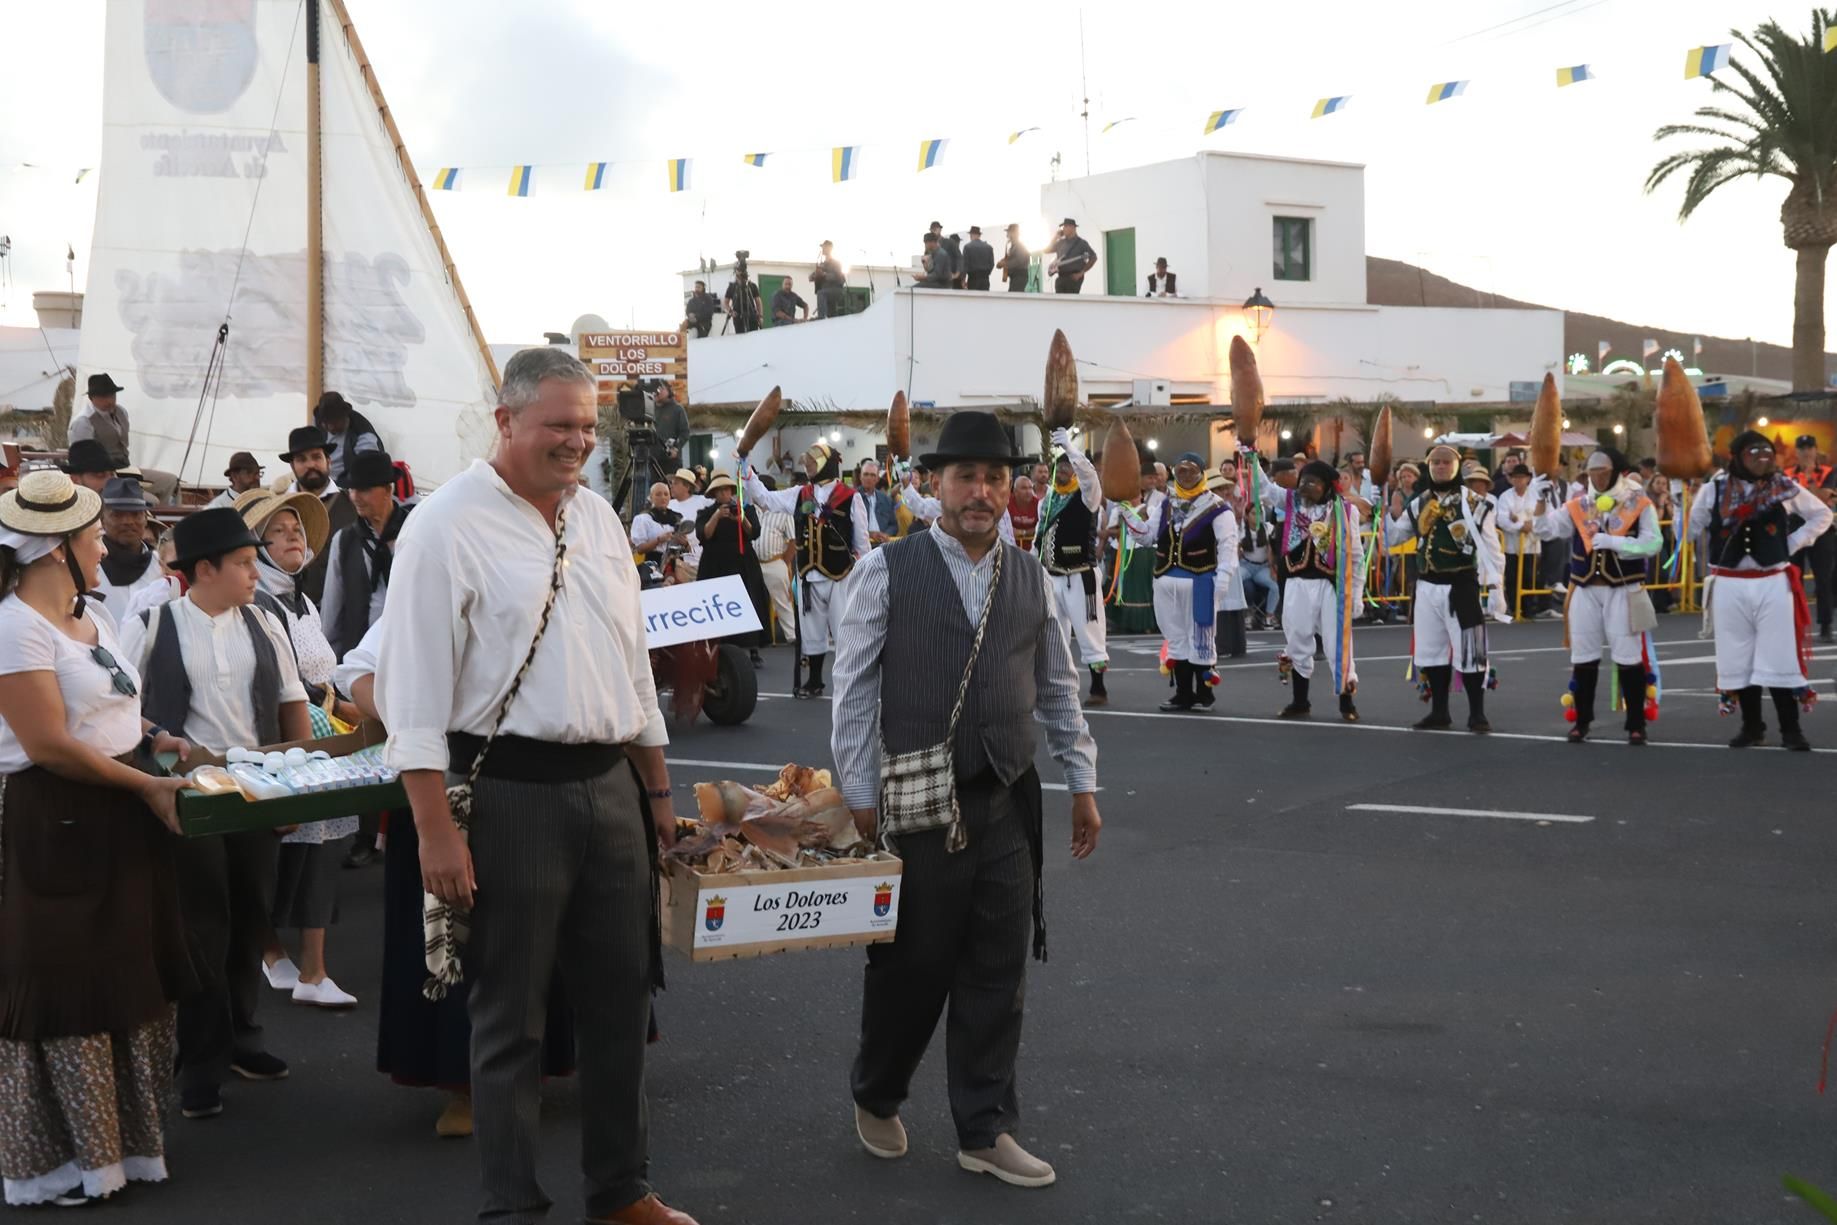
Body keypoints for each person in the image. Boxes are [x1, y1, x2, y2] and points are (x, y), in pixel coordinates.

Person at [375, 345, 693, 1225]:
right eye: (559, 424)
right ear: (505, 419)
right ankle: (511, 1207)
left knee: (622, 1003)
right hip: (509, 790)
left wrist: (657, 792)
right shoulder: (442, 525)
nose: (576, 442)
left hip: (609, 788)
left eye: (587, 427)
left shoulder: (596, 518)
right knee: (508, 1018)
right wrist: (434, 829)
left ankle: (621, 1191)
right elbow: (413, 695)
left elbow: (632, 671)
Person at [831, 409, 1100, 1192]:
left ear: (1009, 486)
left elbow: (1056, 687)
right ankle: (877, 1089)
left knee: (996, 968)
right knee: (910, 966)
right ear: (933, 484)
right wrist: (857, 796)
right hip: (916, 804)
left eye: (993, 477)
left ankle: (984, 1126)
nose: (980, 491)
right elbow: (853, 689)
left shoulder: (1031, 577)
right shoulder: (889, 568)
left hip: (1006, 799)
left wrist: (1081, 781)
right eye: (964, 477)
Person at [0, 469, 196, 1207]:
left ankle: (118, 1149)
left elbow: (109, 705)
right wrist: (144, 783)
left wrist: (156, 738)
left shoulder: (94, 614)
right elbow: (48, 743)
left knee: (123, 968)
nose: (110, 539)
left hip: (116, 802)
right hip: (59, 814)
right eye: (89, 534)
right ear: (55, 548)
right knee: (65, 983)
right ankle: (62, 1160)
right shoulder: (14, 625)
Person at [120, 507, 312, 1120]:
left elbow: (292, 707)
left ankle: (242, 1039)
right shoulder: (151, 624)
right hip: (190, 800)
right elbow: (123, 712)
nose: (256, 574)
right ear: (205, 569)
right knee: (201, 924)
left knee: (252, 916)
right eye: (245, 563)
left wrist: (297, 789)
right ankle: (199, 1061)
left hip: (256, 791)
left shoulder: (265, 622)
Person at [224, 489, 361, 1006]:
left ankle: (307, 968)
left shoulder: (301, 599)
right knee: (284, 853)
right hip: (293, 734)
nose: (291, 541)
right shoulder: (259, 604)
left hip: (323, 726)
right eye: (276, 534)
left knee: (321, 850)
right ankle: (278, 956)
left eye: (296, 532)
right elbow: (282, 687)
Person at [1686, 430, 1833, 750]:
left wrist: (1792, 543)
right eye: (1754, 453)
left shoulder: (1784, 487)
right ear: (1737, 457)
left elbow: (1822, 514)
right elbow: (1691, 529)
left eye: (1766, 453)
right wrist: (1681, 489)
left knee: (1779, 656)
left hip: (1771, 581)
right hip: (1729, 583)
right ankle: (1752, 727)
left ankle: (1791, 730)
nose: (1761, 459)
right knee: (1739, 657)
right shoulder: (1714, 489)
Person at [1526, 449, 1663, 745]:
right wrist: (1538, 501)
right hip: (1584, 588)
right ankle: (1582, 720)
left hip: (1622, 588)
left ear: (1616, 471)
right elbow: (1545, 530)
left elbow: (1653, 543)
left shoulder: (1637, 502)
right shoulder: (1579, 504)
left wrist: (1615, 542)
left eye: (1603, 470)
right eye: (1592, 471)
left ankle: (1636, 723)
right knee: (1584, 656)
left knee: (1627, 656)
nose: (1597, 476)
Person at [1384, 445, 1505, 733]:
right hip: (1427, 586)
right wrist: (1384, 512)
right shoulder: (1418, 502)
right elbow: (1395, 537)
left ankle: (1477, 713)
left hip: (1461, 584)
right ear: (1428, 466)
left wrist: (1496, 587)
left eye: (1446, 462)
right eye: (1435, 462)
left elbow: (1491, 547)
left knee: (1471, 650)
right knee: (1431, 651)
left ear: (1457, 466)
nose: (1440, 467)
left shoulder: (1476, 503)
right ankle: (1439, 711)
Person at [744, 441, 872, 696]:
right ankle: (814, 681)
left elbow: (862, 539)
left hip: (840, 574)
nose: (809, 467)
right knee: (812, 631)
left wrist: (864, 574)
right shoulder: (800, 494)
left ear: (827, 464)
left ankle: (850, 681)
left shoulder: (850, 496)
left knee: (843, 629)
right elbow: (765, 499)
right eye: (808, 464)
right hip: (808, 574)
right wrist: (747, 470)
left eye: (813, 463)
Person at [1253, 456, 1365, 721]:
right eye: (1303, 481)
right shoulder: (1291, 502)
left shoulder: (1346, 512)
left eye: (1312, 482)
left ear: (1327, 486)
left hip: (1330, 586)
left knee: (1338, 643)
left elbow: (1356, 557)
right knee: (1297, 639)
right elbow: (1264, 488)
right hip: (1296, 583)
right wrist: (1251, 455)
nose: (1304, 486)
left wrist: (1356, 594)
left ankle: (1346, 702)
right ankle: (1300, 701)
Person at [1126, 451, 1237, 711]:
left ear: (1201, 474)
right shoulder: (1166, 504)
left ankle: (1204, 694)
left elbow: (1228, 547)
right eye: (1180, 470)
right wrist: (1128, 514)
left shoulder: (1217, 508)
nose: (1185, 476)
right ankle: (1183, 693)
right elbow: (1147, 537)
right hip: (1166, 580)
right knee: (1176, 638)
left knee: (1201, 637)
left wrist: (1223, 579)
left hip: (1200, 582)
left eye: (1190, 471)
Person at [1036, 428, 1110, 704]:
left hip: (1080, 575)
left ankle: (1098, 687)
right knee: (1053, 634)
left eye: (1068, 466)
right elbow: (1039, 535)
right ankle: (1061, 685)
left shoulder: (1087, 497)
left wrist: (1070, 448)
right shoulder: (1047, 501)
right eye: (1061, 467)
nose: (1064, 470)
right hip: (1052, 575)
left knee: (1089, 630)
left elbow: (1090, 476)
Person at [321, 450, 407, 662]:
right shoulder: (344, 540)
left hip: (408, 654)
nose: (355, 497)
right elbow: (331, 611)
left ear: (388, 489)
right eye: (352, 489)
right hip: (360, 660)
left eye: (364, 489)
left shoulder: (414, 533)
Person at [67, 374, 179, 504]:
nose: (110, 400)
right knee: (151, 501)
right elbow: (81, 458)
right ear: (92, 398)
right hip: (103, 475)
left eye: (112, 396)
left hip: (125, 467)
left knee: (170, 481)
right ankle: (144, 517)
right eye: (104, 397)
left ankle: (162, 520)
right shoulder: (83, 421)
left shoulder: (121, 412)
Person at [693, 474, 768, 665]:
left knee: (749, 600)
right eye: (719, 491)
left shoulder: (746, 509)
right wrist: (717, 516)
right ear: (714, 494)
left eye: (727, 489)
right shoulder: (705, 512)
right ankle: (718, 646)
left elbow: (754, 532)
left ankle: (752, 648)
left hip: (742, 559)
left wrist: (740, 519)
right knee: (717, 604)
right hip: (715, 562)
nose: (724, 493)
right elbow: (704, 534)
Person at [282, 425, 358, 607]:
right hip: (286, 612)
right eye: (302, 459)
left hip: (342, 610)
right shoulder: (277, 508)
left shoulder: (353, 505)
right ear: (293, 466)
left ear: (329, 461)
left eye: (317, 457)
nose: (310, 465)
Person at [91, 476, 166, 630]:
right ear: (102, 519)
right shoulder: (88, 564)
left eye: (135, 514)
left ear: (145, 519)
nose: (128, 521)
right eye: (117, 514)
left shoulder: (162, 567)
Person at [1785, 434, 1837, 642]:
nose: (1806, 452)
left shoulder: (1828, 472)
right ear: (1796, 452)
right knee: (1792, 578)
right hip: (1795, 526)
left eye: (1809, 448)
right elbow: (1786, 498)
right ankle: (1793, 623)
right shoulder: (1787, 474)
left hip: (1822, 529)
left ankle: (1825, 625)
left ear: (1816, 450)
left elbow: (1821, 497)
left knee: (1823, 579)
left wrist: (1807, 476)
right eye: (1802, 448)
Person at [1494, 464, 1547, 620]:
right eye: (1515, 477)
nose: (1519, 480)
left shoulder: (1535, 496)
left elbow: (1543, 516)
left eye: (1522, 477)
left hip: (1531, 545)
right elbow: (1502, 519)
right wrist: (1520, 525)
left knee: (1529, 577)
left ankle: (1528, 609)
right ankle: (1515, 607)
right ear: (1511, 479)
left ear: (1528, 479)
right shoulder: (1505, 496)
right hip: (1511, 545)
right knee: (1512, 577)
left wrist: (1530, 524)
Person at [755, 475, 797, 640]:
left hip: (775, 561)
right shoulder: (751, 509)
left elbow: (793, 540)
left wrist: (783, 561)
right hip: (754, 563)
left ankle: (792, 636)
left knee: (782, 600)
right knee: (754, 600)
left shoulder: (783, 512)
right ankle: (759, 637)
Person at [314, 392, 382, 487]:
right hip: (322, 481)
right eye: (325, 423)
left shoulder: (364, 435)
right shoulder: (317, 423)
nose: (330, 428)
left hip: (348, 486)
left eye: (334, 422)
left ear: (345, 417)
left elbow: (367, 470)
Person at [631, 482, 690, 585]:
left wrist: (684, 543)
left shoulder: (677, 517)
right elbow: (640, 549)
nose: (663, 497)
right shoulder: (643, 519)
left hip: (676, 565)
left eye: (666, 494)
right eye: (658, 494)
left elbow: (687, 548)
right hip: (652, 565)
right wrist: (659, 540)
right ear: (651, 497)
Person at [667, 467, 710, 583]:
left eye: (675, 483)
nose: (671, 486)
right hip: (672, 560)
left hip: (697, 560)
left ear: (687, 486)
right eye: (671, 483)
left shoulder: (702, 501)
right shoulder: (668, 505)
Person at [1044, 219, 1096, 294]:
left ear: (1072, 228)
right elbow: (1046, 250)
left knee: (1071, 302)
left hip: (1073, 278)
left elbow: (1093, 257)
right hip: (1061, 277)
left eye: (1065, 227)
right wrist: (1055, 237)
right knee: (1060, 303)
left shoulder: (1081, 243)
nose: (1063, 229)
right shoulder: (1060, 242)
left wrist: (1081, 273)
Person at [856, 460, 897, 544]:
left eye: (872, 475)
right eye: (866, 474)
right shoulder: (853, 498)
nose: (869, 478)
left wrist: (886, 534)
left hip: (882, 545)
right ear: (860, 477)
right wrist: (870, 534)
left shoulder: (886, 500)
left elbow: (893, 525)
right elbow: (849, 527)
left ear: (877, 479)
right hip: (862, 545)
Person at [651, 382, 690, 470]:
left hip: (671, 460)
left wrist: (676, 448)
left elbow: (685, 432)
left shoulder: (677, 409)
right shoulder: (649, 409)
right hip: (651, 460)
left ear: (669, 391)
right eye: (656, 389)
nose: (657, 392)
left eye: (661, 388)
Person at [811, 241, 848, 318]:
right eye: (822, 247)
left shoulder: (836, 263)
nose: (822, 249)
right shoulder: (821, 264)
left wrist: (824, 275)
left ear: (829, 248)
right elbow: (813, 276)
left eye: (824, 247)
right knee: (832, 314)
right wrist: (813, 276)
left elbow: (839, 277)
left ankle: (821, 318)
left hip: (836, 289)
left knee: (821, 294)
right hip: (826, 291)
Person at [1007, 474, 1040, 552]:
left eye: (1030, 488)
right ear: (1015, 491)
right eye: (1024, 488)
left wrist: (1022, 533)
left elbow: (1040, 529)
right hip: (1011, 549)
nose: (1028, 491)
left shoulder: (1038, 504)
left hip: (1033, 549)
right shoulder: (1006, 503)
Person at [961, 225, 995, 291]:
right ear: (979, 235)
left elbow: (965, 265)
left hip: (973, 279)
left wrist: (963, 280)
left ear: (971, 235)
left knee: (973, 300)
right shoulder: (989, 247)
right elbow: (992, 264)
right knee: (984, 300)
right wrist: (987, 273)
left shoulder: (967, 247)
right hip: (985, 280)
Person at [1000, 224, 1030, 292]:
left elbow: (1019, 261)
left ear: (1014, 233)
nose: (1007, 234)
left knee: (1015, 299)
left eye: (1009, 232)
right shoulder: (1014, 246)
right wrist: (1004, 261)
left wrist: (1005, 264)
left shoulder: (1019, 246)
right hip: (1015, 277)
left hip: (1019, 276)